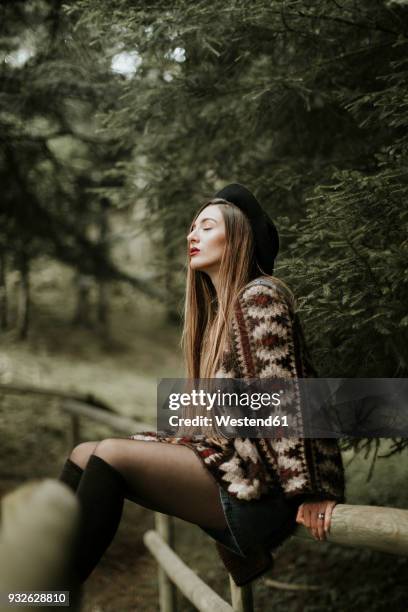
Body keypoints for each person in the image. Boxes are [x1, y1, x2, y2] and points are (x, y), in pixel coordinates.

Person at [58, 183, 345, 587]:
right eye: (193, 228)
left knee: (110, 454)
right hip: (235, 475)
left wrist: (311, 490)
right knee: (83, 453)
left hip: (263, 491)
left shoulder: (261, 297)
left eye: (207, 227)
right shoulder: (217, 320)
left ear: (239, 237)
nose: (192, 236)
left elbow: (286, 397)